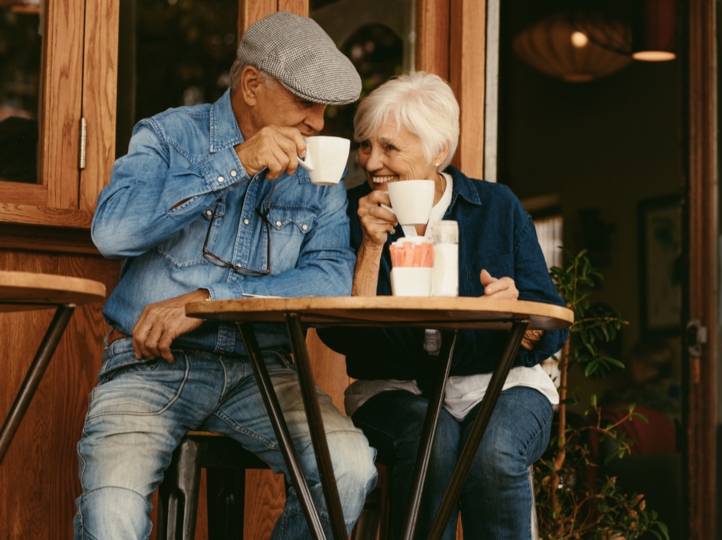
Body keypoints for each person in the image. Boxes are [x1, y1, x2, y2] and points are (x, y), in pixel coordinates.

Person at [75, 12, 377, 540]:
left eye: (324, 108)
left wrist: (208, 298)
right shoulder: (168, 135)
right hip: (149, 369)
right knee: (111, 523)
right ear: (252, 84)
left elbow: (331, 276)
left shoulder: (320, 173)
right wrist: (236, 161)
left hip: (266, 372)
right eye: (306, 102)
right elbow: (111, 233)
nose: (317, 122)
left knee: (350, 470)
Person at [318, 71, 569, 540]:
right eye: (365, 146)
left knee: (492, 452)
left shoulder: (496, 207)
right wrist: (371, 247)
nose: (373, 162)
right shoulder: (349, 212)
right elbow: (340, 333)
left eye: (390, 147)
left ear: (438, 150)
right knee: (432, 444)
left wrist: (514, 309)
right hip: (394, 389)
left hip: (501, 385)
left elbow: (549, 319)